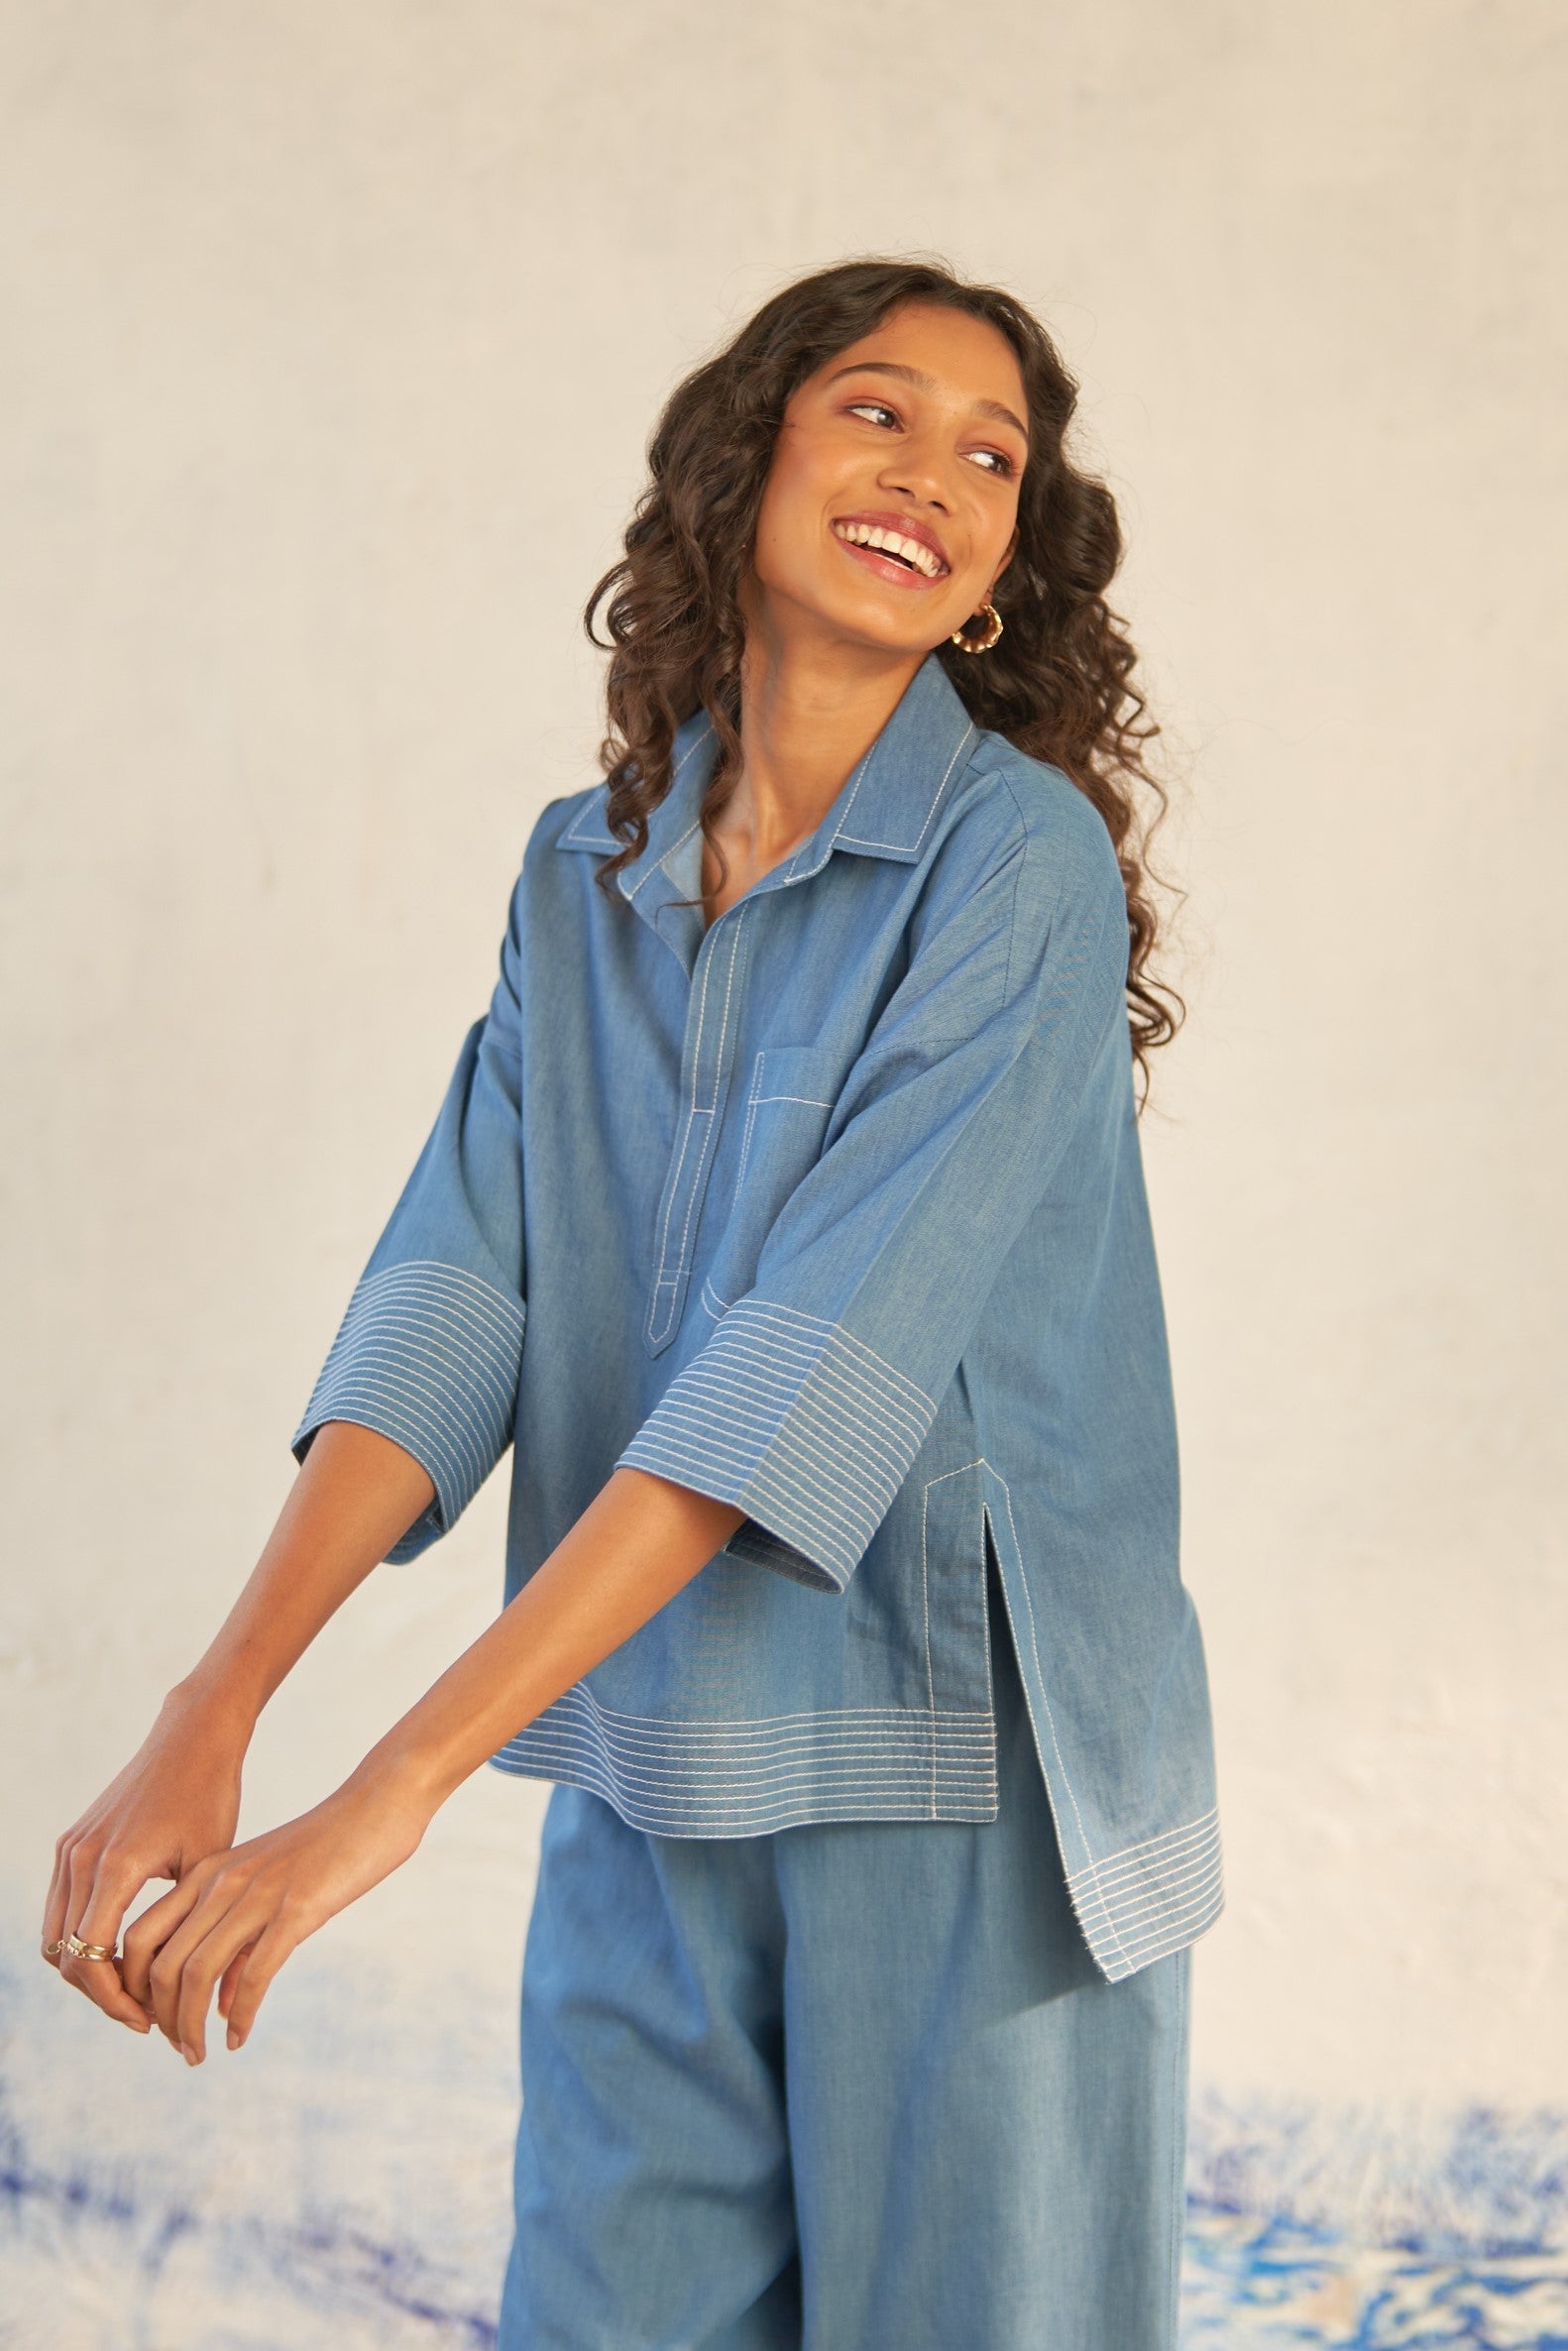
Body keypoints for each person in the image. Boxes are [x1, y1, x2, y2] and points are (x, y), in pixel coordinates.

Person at [42, 255, 1223, 2349]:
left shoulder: (1014, 865)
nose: (931, 475)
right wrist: (211, 1707)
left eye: (990, 458)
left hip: (958, 1779)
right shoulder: (573, 878)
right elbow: (454, 1296)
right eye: (877, 411)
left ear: (993, 579)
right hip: (641, 1747)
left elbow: (797, 1377)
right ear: (741, 463)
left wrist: (386, 1790)